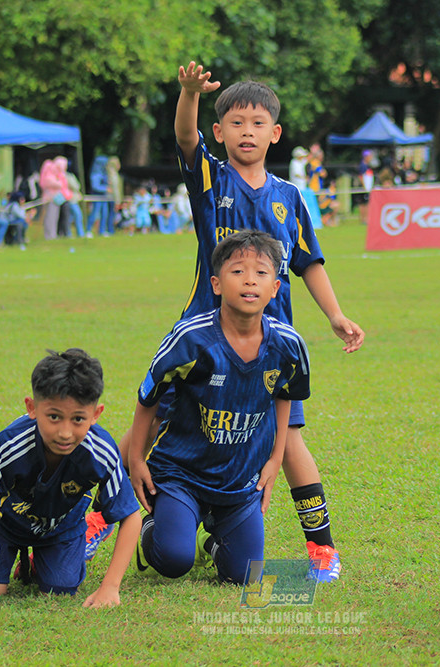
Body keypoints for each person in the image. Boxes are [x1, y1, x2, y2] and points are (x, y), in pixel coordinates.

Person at [95, 61, 365, 583]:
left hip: (267, 343)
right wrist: (189, 94)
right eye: (236, 123)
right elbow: (183, 134)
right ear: (220, 132)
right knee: (147, 427)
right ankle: (98, 517)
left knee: (288, 445)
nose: (247, 132)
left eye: (257, 123)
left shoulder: (290, 197)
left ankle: (321, 553)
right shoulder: (210, 180)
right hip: (204, 333)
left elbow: (309, 261)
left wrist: (335, 314)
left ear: (275, 133)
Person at [129, 230, 310, 583]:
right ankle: (154, 532)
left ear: (275, 288)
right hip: (181, 472)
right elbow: (148, 396)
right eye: (238, 271)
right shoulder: (190, 338)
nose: (249, 280)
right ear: (216, 283)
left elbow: (285, 394)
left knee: (244, 577)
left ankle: (211, 541)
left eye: (261, 273)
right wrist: (136, 459)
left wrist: (274, 459)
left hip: (240, 479)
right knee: (174, 560)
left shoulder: (288, 344)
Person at [0, 349, 141, 611]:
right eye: (54, 417)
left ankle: (86, 533)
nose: (65, 432)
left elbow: (131, 516)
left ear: (95, 414)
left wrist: (110, 587)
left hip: (61, 526)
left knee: (60, 590)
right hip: (5, 524)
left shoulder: (101, 450)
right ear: (32, 408)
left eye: (78, 419)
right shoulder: (10, 444)